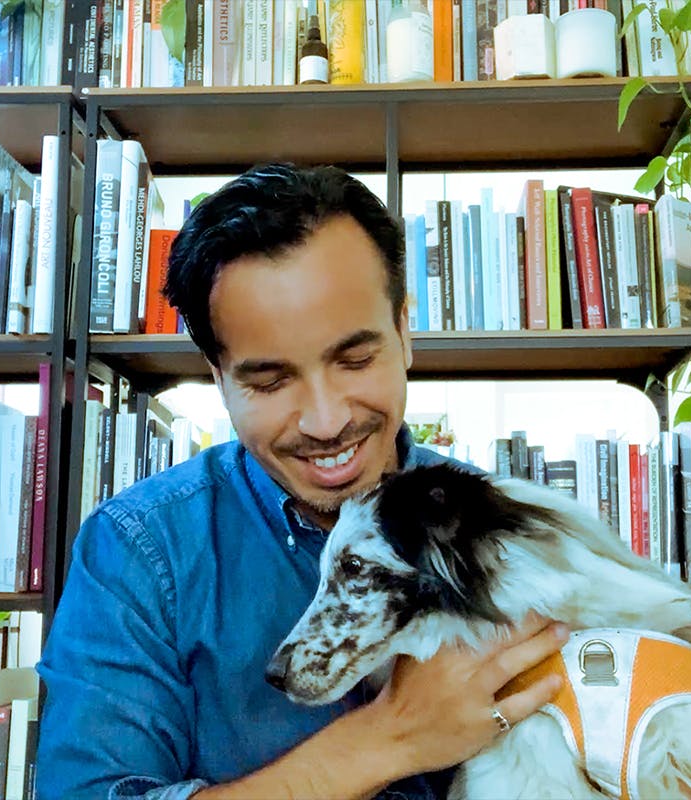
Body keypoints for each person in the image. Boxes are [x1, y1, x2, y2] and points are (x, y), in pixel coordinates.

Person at [36, 164, 569, 799]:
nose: (327, 422)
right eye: (270, 381)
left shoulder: (504, 526)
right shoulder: (139, 554)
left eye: (356, 359)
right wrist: (389, 737)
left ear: (404, 331)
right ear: (219, 378)